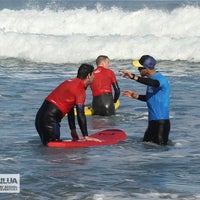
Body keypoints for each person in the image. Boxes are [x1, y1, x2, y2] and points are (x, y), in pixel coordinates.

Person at [35, 63, 101, 146]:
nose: (94, 77)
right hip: (50, 121)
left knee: (48, 151)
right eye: (93, 75)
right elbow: (80, 113)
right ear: (88, 76)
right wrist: (86, 136)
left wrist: (73, 130)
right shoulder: (80, 88)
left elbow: (70, 108)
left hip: (40, 118)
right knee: (53, 152)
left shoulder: (70, 82)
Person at [119, 55, 170, 145]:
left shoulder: (161, 79)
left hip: (161, 123)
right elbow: (152, 98)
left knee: (159, 153)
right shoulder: (150, 80)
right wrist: (136, 96)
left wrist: (134, 77)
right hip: (152, 122)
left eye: (139, 68)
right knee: (146, 150)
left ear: (146, 69)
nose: (138, 69)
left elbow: (155, 83)